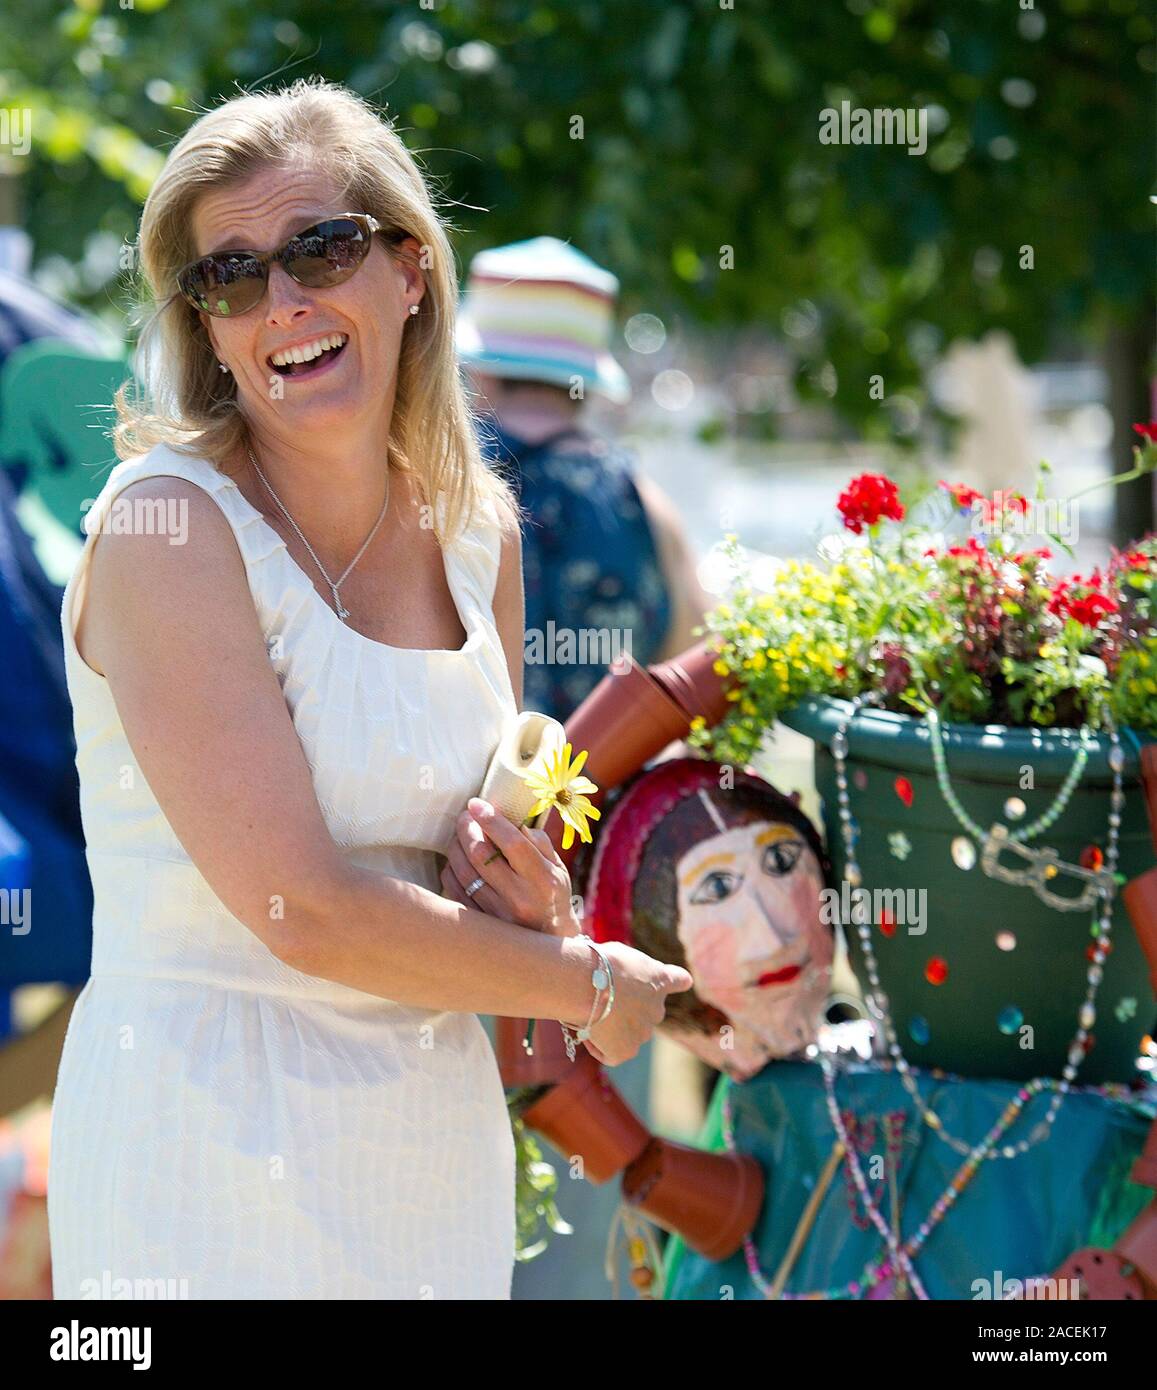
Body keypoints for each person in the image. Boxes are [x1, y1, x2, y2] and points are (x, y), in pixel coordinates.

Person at [45, 76, 691, 1301]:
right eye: (229, 275)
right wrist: (586, 979)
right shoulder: (164, 529)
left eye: (319, 248)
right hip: (197, 1162)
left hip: (424, 1161)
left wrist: (535, 909)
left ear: (410, 269)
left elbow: (442, 878)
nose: (281, 301)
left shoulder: (478, 531)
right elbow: (303, 907)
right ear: (207, 325)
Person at [458, 237, 707, 722]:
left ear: (480, 367)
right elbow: (693, 660)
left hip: (467, 797)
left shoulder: (432, 483)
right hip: (597, 792)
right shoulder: (644, 504)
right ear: (586, 379)